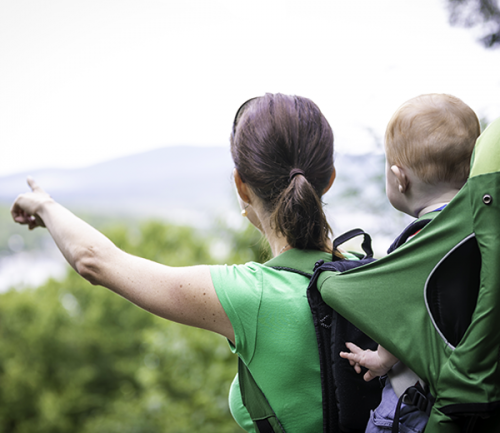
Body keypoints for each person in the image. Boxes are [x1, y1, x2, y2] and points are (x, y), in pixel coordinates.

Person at [11, 93, 341, 432]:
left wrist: (45, 206)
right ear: (329, 178)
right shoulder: (369, 271)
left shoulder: (251, 295)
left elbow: (94, 261)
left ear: (241, 186)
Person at [340, 93, 481, 433]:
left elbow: (402, 315)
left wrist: (380, 360)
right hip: (472, 398)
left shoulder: (419, 243)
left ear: (399, 178)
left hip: (414, 408)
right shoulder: (483, 231)